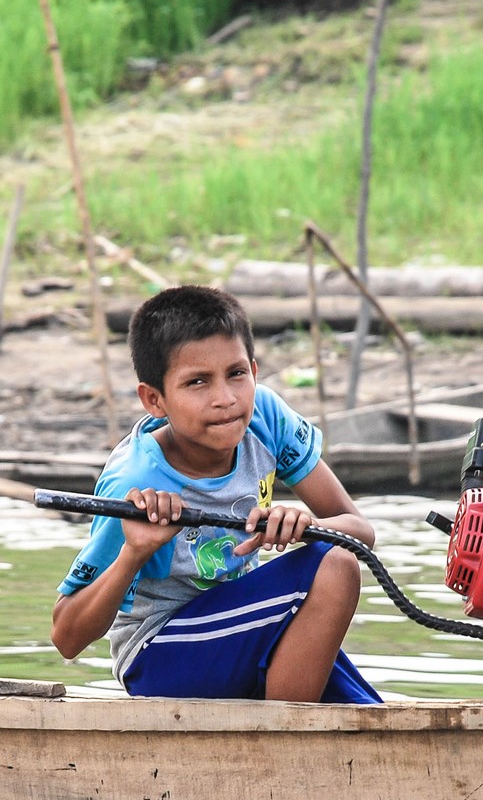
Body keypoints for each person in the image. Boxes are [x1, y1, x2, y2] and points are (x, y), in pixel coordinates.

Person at [50, 285, 381, 703]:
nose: (225, 399)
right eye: (197, 382)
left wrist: (309, 526)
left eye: (236, 374)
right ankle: (286, 750)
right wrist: (133, 553)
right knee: (334, 568)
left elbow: (360, 532)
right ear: (154, 399)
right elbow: (67, 636)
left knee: (366, 712)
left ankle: (291, 736)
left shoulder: (266, 417)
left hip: (247, 629)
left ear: (255, 373)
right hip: (162, 659)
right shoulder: (136, 480)